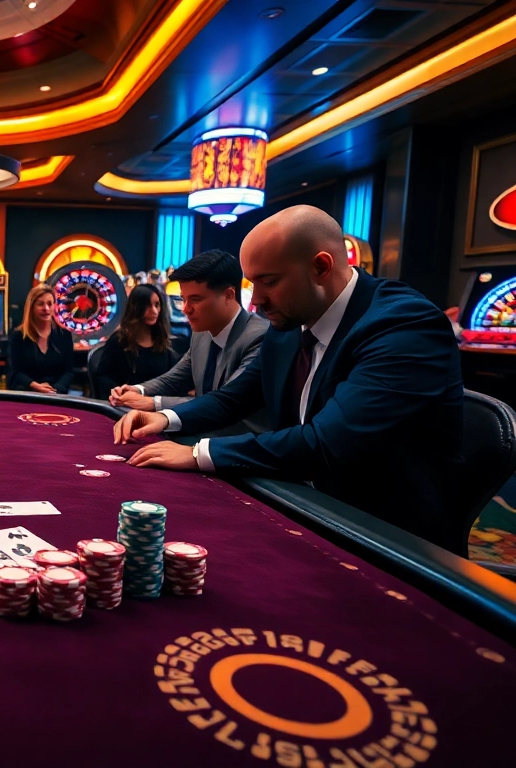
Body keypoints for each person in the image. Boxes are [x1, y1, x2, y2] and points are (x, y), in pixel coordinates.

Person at [113, 205, 463, 548]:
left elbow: (326, 443)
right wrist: (163, 418)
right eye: (254, 283)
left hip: (386, 538)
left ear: (321, 267)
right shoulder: (291, 321)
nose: (256, 301)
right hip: (300, 505)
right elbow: (234, 398)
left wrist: (198, 454)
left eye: (269, 282)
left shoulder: (403, 326)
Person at [109, 250, 269, 435]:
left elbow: (224, 401)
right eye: (182, 300)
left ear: (228, 295)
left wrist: (155, 403)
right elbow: (174, 379)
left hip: (240, 447)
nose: (185, 309)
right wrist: (138, 390)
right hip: (201, 433)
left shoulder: (260, 337)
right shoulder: (202, 333)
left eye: (195, 300)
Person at [94, 284, 178, 397]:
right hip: (124, 405)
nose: (154, 311)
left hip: (158, 406)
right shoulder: (119, 341)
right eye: (147, 305)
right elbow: (103, 377)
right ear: (136, 307)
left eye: (157, 305)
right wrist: (120, 394)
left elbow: (172, 381)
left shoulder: (163, 339)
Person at [7, 284, 76, 394]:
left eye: (50, 304)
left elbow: (68, 371)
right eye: (40, 304)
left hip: (56, 395)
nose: (46, 308)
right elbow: (14, 372)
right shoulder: (18, 336)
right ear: (31, 307)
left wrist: (54, 390)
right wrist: (35, 386)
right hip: (27, 393)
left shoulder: (64, 334)